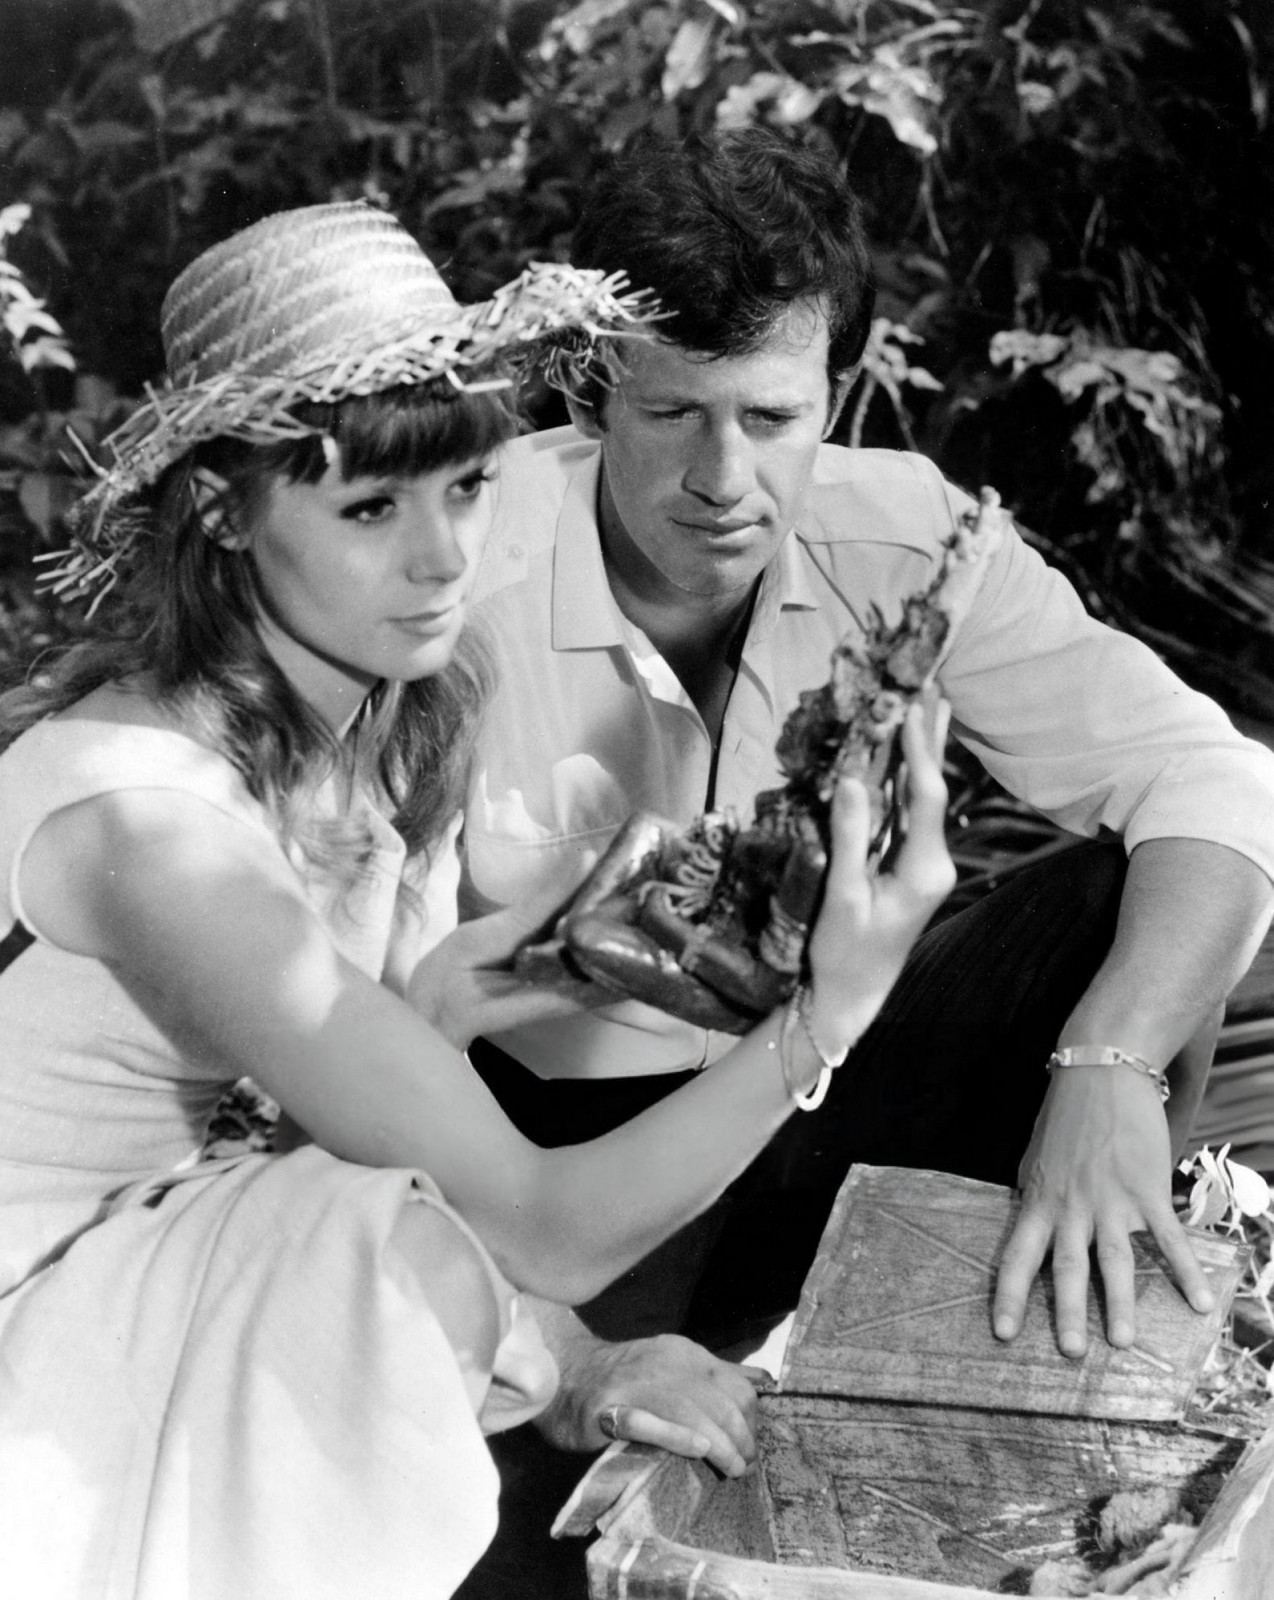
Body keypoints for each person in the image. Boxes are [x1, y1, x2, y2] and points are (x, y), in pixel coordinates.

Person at [0, 201, 957, 1598]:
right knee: (392, 1247)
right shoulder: (148, 825)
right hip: (42, 1352)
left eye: (463, 486)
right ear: (221, 509)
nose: (445, 557)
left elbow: (384, 1096)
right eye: (370, 508)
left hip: (180, 1266)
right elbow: (528, 1221)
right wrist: (821, 1019)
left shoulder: (382, 723)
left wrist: (580, 1361)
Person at [462, 124, 1274, 1372]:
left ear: (832, 398)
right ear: (588, 394)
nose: (723, 477)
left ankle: (1085, 1336)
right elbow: (353, 1035)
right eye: (671, 412)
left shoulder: (905, 538)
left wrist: (1107, 1059)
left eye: (770, 416)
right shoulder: (455, 575)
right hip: (559, 1160)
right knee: (567, 1457)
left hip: (832, 1083)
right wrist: (559, 1362)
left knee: (1131, 890)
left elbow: (1213, 776)